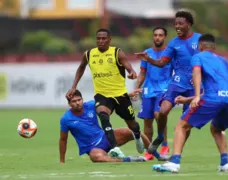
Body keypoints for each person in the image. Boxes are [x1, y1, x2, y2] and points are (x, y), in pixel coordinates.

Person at [152, 34, 228, 173]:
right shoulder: (223, 61)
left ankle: (174, 162)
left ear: (200, 47)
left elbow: (196, 73)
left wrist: (197, 96)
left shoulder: (197, 57)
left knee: (181, 125)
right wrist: (187, 100)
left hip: (213, 98)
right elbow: (221, 86)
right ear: (214, 47)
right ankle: (225, 163)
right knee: (217, 129)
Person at [66, 28, 144, 159]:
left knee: (132, 124)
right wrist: (74, 86)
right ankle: (115, 148)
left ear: (109, 39)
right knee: (103, 115)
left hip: (120, 95)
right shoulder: (89, 54)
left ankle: (137, 136)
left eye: (103, 38)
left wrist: (131, 72)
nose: (100, 41)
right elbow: (81, 68)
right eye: (98, 38)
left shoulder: (116, 52)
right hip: (102, 95)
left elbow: (127, 65)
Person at [135, 11, 201, 153]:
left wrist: (202, 75)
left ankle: (178, 152)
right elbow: (161, 63)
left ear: (188, 24)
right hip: (177, 83)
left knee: (186, 122)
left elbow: (208, 59)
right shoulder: (173, 43)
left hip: (194, 86)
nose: (177, 26)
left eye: (180, 23)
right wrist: (149, 60)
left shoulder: (199, 40)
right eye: (175, 24)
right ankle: (160, 137)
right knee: (163, 111)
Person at [60, 90, 169, 163]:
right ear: (69, 104)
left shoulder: (90, 105)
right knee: (96, 158)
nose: (78, 103)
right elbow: (63, 140)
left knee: (133, 131)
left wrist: (128, 95)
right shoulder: (66, 119)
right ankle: (129, 159)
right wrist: (62, 160)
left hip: (106, 137)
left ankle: (157, 155)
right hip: (92, 148)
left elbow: (110, 98)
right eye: (74, 101)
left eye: (79, 100)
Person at [135, 27, 173, 160]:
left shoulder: (170, 53)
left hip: (164, 89)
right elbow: (142, 72)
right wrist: (137, 87)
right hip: (148, 90)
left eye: (160, 35)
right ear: (153, 37)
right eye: (155, 35)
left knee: (159, 115)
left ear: (165, 37)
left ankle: (164, 145)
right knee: (147, 121)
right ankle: (149, 151)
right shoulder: (147, 53)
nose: (157, 37)